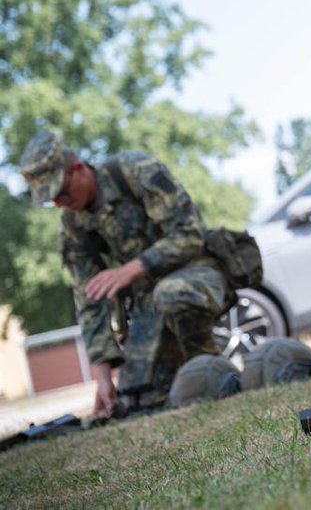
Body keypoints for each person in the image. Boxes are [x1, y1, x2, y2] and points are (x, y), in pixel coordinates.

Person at [18, 132, 228, 417]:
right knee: (137, 400)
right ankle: (186, 383)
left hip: (197, 273)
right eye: (51, 199)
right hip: (149, 304)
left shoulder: (134, 171)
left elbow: (190, 235)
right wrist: (102, 377)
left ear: (78, 168)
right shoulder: (73, 225)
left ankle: (212, 369)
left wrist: (132, 269)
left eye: (61, 192)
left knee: (172, 294)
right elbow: (89, 300)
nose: (59, 203)